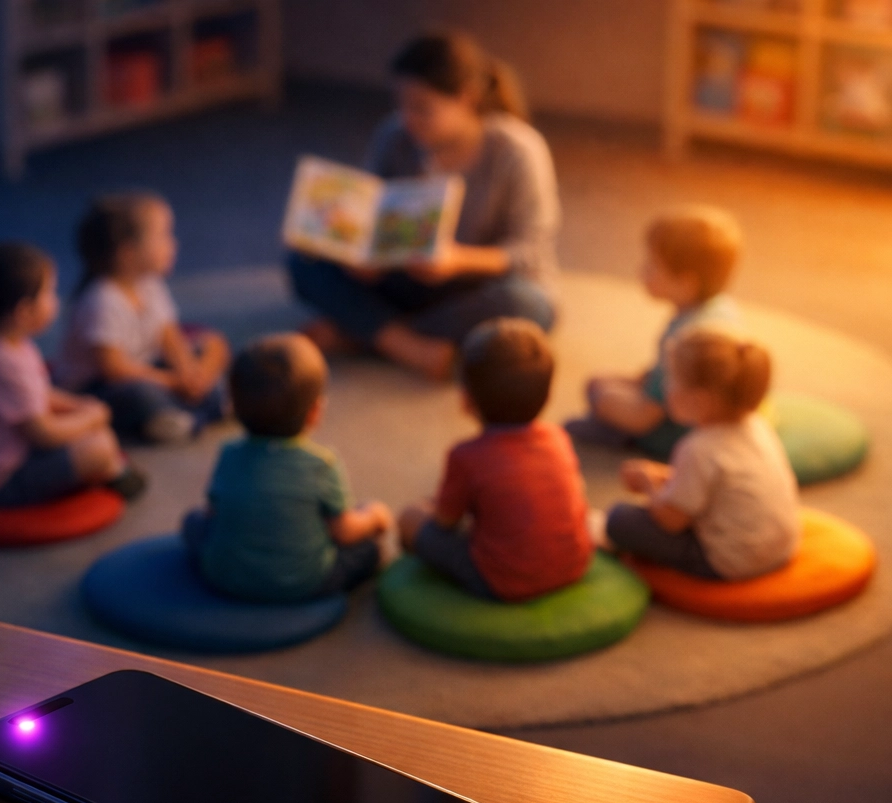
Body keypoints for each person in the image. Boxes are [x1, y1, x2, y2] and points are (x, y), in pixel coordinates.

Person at [288, 31, 560, 381]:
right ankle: (409, 343)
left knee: (528, 305)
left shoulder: (516, 150)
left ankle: (363, 334)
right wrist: (357, 253)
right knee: (304, 261)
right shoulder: (394, 137)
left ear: (467, 98)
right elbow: (368, 215)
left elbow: (531, 250)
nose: (407, 118)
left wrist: (456, 259)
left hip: (474, 285)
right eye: (400, 105)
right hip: (403, 277)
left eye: (422, 108)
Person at [0, 243, 144, 507]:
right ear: (24, 311)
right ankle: (112, 471)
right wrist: (90, 418)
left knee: (92, 427)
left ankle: (106, 461)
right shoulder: (4, 362)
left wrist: (79, 406)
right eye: (49, 292)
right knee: (99, 446)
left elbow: (35, 395)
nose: (56, 300)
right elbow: (43, 433)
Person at [183, 333, 392, 603]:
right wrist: (375, 516)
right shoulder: (321, 464)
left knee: (192, 522)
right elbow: (344, 531)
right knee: (369, 549)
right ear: (315, 412)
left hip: (225, 576)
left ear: (233, 406)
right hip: (303, 582)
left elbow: (212, 513)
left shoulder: (228, 453)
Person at [398, 318, 592, 601]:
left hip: (502, 581)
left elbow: (444, 521)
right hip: (575, 565)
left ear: (465, 400)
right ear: (548, 396)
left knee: (410, 518)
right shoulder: (558, 438)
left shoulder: (466, 456)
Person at [604, 328, 799, 580]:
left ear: (700, 400)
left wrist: (648, 484)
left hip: (731, 561)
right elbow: (718, 479)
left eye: (671, 378)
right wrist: (665, 476)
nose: (664, 385)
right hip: (782, 547)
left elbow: (671, 520)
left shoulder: (697, 449)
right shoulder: (757, 425)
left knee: (620, 520)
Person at [567, 205, 743, 461]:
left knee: (597, 390)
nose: (643, 271)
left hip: (681, 433)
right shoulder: (719, 308)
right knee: (607, 384)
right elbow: (660, 379)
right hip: (701, 417)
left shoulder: (686, 337)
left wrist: (601, 400)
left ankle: (624, 438)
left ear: (686, 283)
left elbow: (645, 416)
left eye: (654, 266)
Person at [57, 192, 230, 442]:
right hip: (98, 385)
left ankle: (181, 416)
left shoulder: (150, 284)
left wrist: (189, 373)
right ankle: (187, 415)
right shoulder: (101, 299)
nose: (173, 244)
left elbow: (169, 336)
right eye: (163, 236)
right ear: (127, 252)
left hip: (146, 369)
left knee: (208, 355)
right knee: (138, 396)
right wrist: (172, 382)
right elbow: (113, 368)